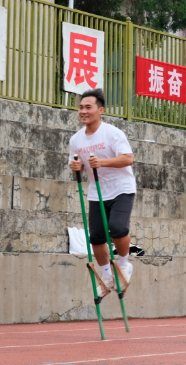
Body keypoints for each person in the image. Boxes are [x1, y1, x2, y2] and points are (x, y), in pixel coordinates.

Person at [68, 89, 136, 294]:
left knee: (117, 227)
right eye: (81, 107)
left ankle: (124, 265)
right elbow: (75, 161)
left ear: (100, 110)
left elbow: (128, 158)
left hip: (122, 189)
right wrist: (75, 167)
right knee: (96, 237)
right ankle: (106, 276)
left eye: (88, 107)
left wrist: (102, 162)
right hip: (97, 192)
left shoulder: (112, 133)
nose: (83, 111)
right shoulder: (76, 140)